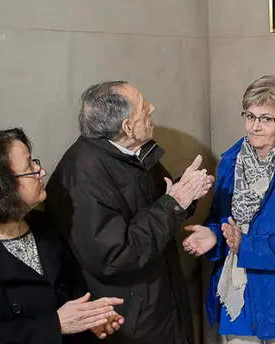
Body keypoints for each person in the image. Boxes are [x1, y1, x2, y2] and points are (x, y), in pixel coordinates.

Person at [45, 81, 214, 344]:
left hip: (158, 303)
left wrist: (186, 193)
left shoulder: (128, 153)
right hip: (130, 322)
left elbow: (159, 204)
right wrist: (177, 201)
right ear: (126, 127)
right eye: (143, 107)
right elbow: (116, 254)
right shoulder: (83, 175)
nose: (152, 108)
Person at [0, 128, 124, 344]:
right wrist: (56, 325)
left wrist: (92, 318)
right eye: (30, 167)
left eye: (35, 162)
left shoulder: (43, 225)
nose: (41, 172)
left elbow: (72, 290)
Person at [183, 75, 275, 344]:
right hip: (239, 300)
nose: (255, 126)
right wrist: (215, 236)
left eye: (266, 118)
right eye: (250, 116)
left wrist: (246, 245)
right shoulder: (230, 163)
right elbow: (221, 219)